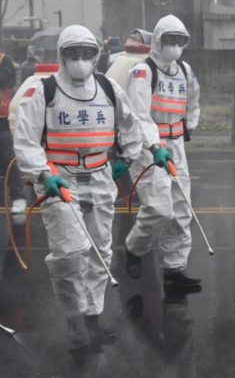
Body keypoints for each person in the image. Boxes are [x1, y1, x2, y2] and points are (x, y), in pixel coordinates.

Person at [13, 25, 143, 354]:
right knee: (71, 254)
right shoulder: (44, 91)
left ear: (96, 55)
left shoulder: (108, 88)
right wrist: (43, 174)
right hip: (60, 180)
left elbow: (130, 125)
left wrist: (125, 160)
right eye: (74, 53)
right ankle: (74, 319)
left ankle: (92, 317)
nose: (81, 61)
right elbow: (26, 139)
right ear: (62, 54)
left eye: (87, 53)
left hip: (100, 175)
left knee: (100, 250)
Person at [124, 15, 202, 291]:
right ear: (157, 40)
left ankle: (174, 268)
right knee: (159, 209)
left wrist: (189, 125)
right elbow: (139, 115)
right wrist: (155, 146)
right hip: (150, 150)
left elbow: (194, 100)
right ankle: (134, 247)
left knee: (182, 210)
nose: (175, 46)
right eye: (170, 40)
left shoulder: (184, 70)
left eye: (180, 41)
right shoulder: (143, 72)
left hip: (176, 144)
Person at [0, 49, 25, 224]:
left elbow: (8, 80)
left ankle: (18, 196)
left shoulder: (3, 59)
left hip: (1, 118)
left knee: (7, 157)